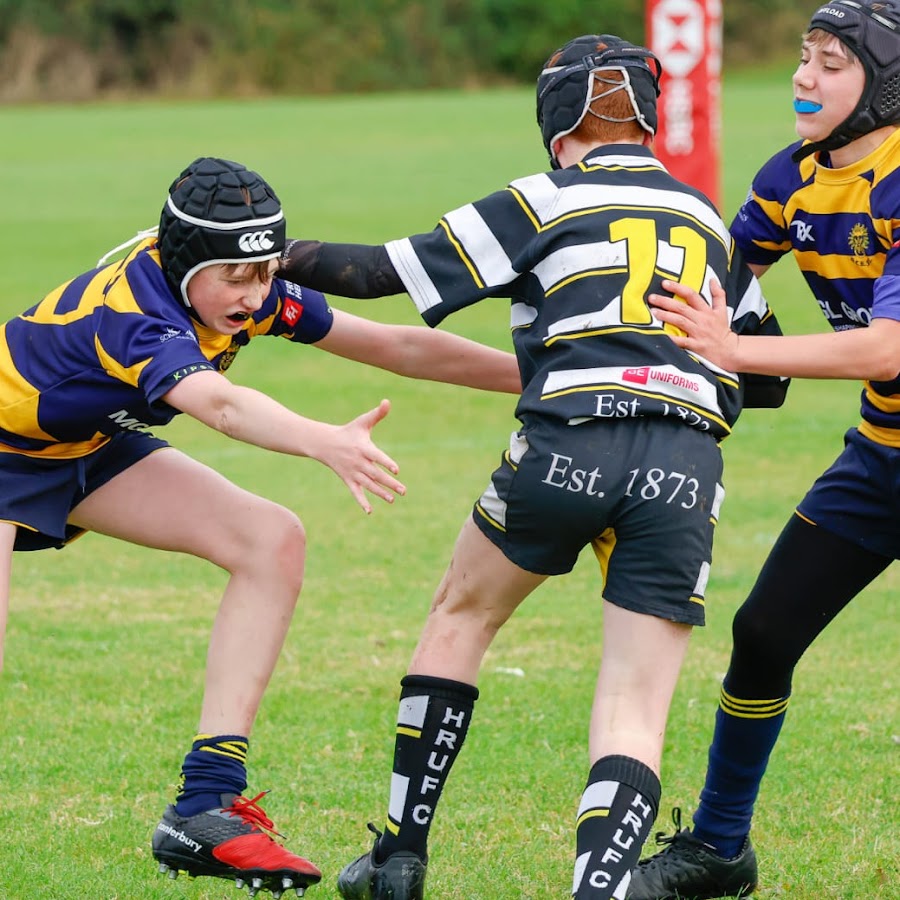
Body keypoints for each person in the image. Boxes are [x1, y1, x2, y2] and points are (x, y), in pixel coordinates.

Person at [277, 34, 788, 900]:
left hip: (569, 445)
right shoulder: (704, 214)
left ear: (556, 128)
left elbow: (375, 272)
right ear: (649, 124)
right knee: (632, 706)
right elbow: (767, 378)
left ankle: (398, 859)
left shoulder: (545, 195)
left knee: (461, 617)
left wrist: (265, 252)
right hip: (684, 465)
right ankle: (599, 888)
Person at [0, 156, 523, 899]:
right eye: (235, 278)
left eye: (265, 273)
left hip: (82, 446)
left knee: (270, 540)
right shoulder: (136, 313)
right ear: (184, 265)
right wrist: (323, 440)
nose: (254, 294)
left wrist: (547, 377)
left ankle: (204, 805)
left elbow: (396, 345)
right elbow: (220, 406)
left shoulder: (248, 293)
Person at [626, 2, 900, 898]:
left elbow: (887, 349)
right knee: (765, 632)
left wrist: (737, 352)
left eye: (831, 63)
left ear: (887, 85)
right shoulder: (791, 178)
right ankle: (718, 851)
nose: (802, 77)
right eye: (804, 56)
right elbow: (713, 273)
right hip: (882, 458)